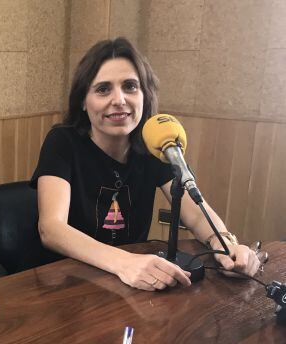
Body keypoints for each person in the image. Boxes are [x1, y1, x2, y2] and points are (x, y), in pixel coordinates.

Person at [31, 37, 261, 292]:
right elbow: (51, 228)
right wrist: (124, 263)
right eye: (103, 89)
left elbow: (195, 213)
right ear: (83, 101)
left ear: (145, 95)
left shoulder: (154, 144)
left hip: (132, 284)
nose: (119, 99)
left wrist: (227, 244)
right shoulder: (63, 141)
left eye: (130, 86)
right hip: (69, 282)